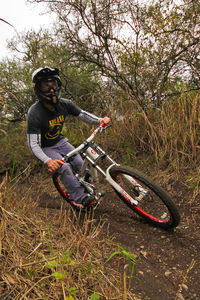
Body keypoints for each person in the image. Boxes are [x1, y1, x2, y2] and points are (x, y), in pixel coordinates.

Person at [27, 67, 110, 208]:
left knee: (79, 163)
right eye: (46, 87)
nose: (51, 90)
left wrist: (99, 120)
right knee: (64, 168)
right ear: (39, 90)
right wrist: (48, 161)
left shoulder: (64, 104)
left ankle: (89, 187)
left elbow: (82, 114)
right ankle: (80, 197)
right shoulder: (34, 113)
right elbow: (33, 144)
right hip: (46, 147)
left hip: (60, 141)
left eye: (53, 85)